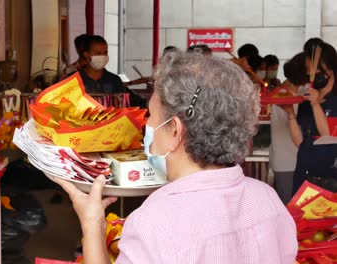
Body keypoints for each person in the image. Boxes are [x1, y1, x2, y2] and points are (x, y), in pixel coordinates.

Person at [55, 51, 297, 263]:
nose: (147, 125)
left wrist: (92, 225)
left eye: (151, 115)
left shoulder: (155, 221)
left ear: (175, 131)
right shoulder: (267, 199)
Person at [281, 43, 337, 193]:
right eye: (309, 70)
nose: (313, 74)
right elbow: (300, 142)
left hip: (330, 178)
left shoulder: (330, 100)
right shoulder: (307, 99)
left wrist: (316, 105)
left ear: (331, 68)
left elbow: (328, 136)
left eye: (317, 69)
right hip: (304, 174)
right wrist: (290, 114)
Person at [269, 55, 301, 204]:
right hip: (291, 162)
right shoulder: (294, 99)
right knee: (292, 209)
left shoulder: (279, 94)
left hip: (282, 161)